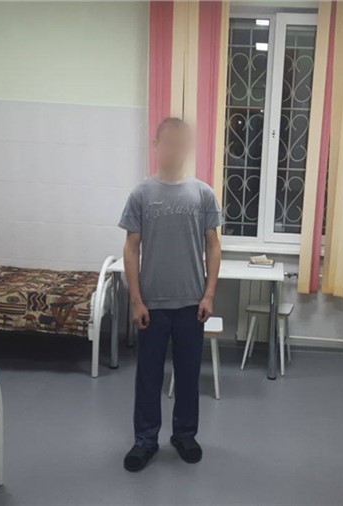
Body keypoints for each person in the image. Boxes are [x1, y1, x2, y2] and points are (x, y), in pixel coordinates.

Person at [118, 117, 222, 472]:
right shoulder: (141, 194)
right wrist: (136, 300)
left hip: (192, 303)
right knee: (148, 376)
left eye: (182, 143)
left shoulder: (203, 193)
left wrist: (209, 294)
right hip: (152, 305)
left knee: (188, 374)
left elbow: (213, 245)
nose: (175, 149)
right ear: (156, 145)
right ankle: (145, 440)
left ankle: (184, 435)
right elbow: (131, 248)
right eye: (169, 142)